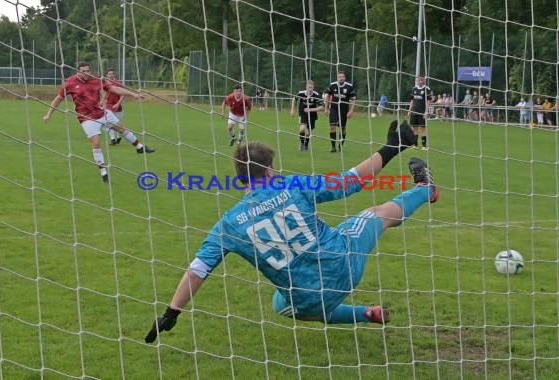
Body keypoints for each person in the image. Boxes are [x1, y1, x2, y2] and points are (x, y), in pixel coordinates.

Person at [145, 120, 440, 343]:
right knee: (376, 214)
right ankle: (426, 189)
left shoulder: (229, 224)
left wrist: (172, 312)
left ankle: (362, 313)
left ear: (241, 177)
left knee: (281, 304)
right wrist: (392, 147)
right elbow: (352, 180)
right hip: (344, 263)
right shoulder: (293, 185)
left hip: (308, 297)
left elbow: (198, 270)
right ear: (270, 170)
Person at [43, 62, 155, 184]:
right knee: (96, 143)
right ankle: (103, 172)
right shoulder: (70, 82)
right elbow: (58, 99)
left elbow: (114, 89)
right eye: (83, 71)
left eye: (88, 70)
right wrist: (49, 114)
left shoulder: (96, 80)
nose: (86, 73)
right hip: (86, 118)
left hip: (102, 113)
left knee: (122, 129)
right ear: (78, 71)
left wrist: (133, 95)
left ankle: (140, 147)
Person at [324, 71, 356, 152]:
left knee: (342, 129)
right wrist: (326, 108)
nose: (341, 78)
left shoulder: (349, 86)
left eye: (342, 77)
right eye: (339, 77)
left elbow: (353, 99)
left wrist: (351, 110)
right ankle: (333, 147)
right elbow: (327, 96)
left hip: (344, 110)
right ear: (337, 78)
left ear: (345, 78)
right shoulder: (332, 85)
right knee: (332, 127)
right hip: (334, 109)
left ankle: (340, 145)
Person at [290, 80, 324, 151]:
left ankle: (306, 144)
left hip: (312, 115)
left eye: (311, 87)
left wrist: (310, 110)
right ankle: (302, 144)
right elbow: (294, 99)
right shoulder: (301, 93)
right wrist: (292, 109)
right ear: (306, 87)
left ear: (313, 88)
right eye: (309, 87)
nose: (310, 89)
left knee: (309, 132)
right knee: (302, 129)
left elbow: (321, 107)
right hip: (303, 113)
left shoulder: (316, 95)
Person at [408, 74, 433, 150]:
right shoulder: (414, 88)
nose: (420, 81)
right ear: (417, 80)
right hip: (414, 112)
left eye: (421, 80)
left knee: (422, 128)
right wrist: (409, 110)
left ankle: (424, 146)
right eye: (418, 80)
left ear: (424, 80)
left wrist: (426, 111)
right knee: (414, 128)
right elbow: (412, 100)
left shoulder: (427, 89)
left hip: (422, 113)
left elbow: (428, 101)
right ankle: (415, 145)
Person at [103, 68, 124, 145]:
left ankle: (119, 137)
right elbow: (104, 96)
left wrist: (118, 104)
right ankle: (112, 139)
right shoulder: (104, 84)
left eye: (112, 73)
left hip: (118, 107)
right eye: (109, 74)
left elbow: (122, 95)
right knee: (108, 123)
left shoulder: (118, 83)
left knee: (118, 124)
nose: (111, 75)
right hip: (109, 107)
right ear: (107, 75)